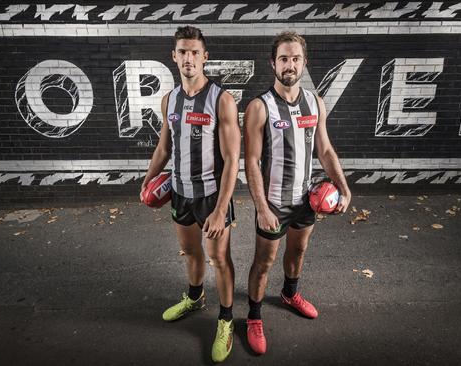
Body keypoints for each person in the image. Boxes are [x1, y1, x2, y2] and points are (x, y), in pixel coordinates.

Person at [242, 31, 352, 355]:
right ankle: (253, 316)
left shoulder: (315, 103)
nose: (289, 65)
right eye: (283, 59)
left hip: (306, 201)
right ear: (272, 63)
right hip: (273, 203)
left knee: (298, 253)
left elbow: (326, 150)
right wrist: (261, 206)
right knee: (264, 262)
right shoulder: (259, 108)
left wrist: (344, 189)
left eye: (295, 59)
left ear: (304, 62)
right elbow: (250, 160)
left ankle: (290, 293)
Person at [140, 25, 240, 363]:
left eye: (194, 52)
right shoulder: (170, 99)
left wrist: (220, 208)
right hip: (180, 192)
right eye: (182, 51)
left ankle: (226, 321)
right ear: (174, 56)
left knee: (219, 259)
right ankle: (195, 297)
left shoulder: (221, 100)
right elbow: (164, 146)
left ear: (204, 57)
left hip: (212, 197)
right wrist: (149, 177)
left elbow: (232, 161)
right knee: (189, 251)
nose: (188, 58)